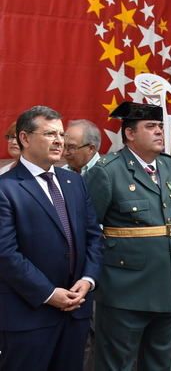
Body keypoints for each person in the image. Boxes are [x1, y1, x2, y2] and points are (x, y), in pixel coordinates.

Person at [0, 105, 103, 370]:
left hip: (75, 311)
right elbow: (6, 254)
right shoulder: (6, 188)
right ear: (24, 138)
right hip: (29, 315)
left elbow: (93, 236)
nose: (60, 141)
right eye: (49, 134)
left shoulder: (75, 182)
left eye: (61, 134)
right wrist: (48, 293)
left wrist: (88, 280)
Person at [85, 101, 171, 371]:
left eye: (160, 127)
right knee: (117, 365)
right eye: (150, 127)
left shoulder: (169, 166)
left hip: (168, 288)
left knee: (160, 364)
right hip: (125, 293)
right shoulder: (107, 171)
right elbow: (88, 231)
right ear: (130, 134)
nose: (159, 132)